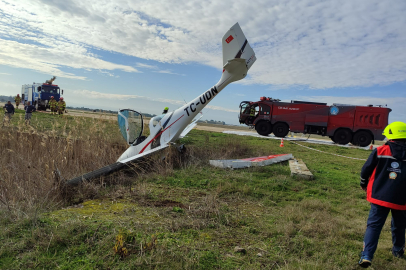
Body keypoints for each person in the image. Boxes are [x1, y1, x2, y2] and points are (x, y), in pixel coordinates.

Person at [358, 121, 406, 268]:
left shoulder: (381, 151)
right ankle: (398, 251)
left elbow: (366, 170)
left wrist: (363, 183)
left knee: (374, 226)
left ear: (390, 136)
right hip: (402, 198)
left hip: (379, 196)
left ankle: (367, 255)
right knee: (399, 226)